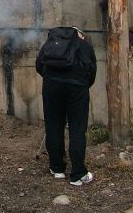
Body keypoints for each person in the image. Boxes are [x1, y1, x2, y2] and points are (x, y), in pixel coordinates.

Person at [36, 26, 97, 186]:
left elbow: (39, 65)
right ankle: (77, 174)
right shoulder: (85, 46)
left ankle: (57, 169)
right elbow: (92, 72)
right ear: (80, 34)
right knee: (77, 129)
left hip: (51, 86)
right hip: (77, 89)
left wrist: (52, 79)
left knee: (54, 126)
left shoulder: (51, 43)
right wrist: (82, 84)